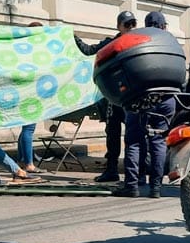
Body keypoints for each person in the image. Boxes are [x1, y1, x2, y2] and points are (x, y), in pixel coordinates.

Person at [113, 11, 176, 198]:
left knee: (134, 141)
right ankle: (156, 187)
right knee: (158, 141)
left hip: (140, 98)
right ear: (163, 26)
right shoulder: (171, 40)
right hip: (166, 98)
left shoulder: (137, 38)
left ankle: (132, 185)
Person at [75, 11, 137, 183]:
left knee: (135, 135)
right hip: (115, 98)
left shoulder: (138, 41)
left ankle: (136, 172)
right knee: (112, 134)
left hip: (132, 97)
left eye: (133, 24)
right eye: (127, 24)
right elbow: (89, 50)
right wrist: (72, 38)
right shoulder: (111, 43)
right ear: (119, 26)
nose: (131, 28)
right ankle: (112, 170)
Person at [17, 21, 47, 174]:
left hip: (23, 91)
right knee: (29, 128)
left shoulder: (23, 49)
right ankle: (29, 164)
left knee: (25, 128)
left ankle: (22, 159)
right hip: (31, 92)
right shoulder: (36, 52)